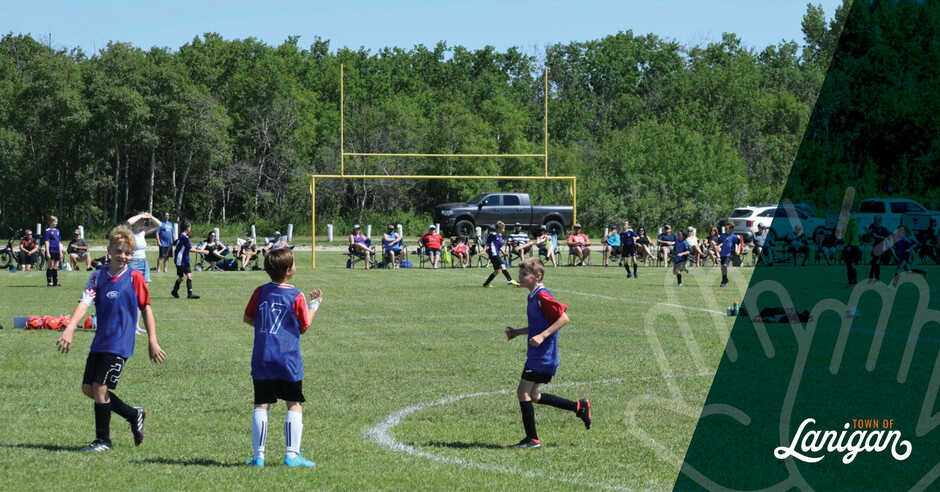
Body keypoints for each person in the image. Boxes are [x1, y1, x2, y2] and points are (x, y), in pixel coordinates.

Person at [55, 224, 167, 452]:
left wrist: (152, 341)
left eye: (127, 253)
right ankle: (134, 414)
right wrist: (69, 328)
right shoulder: (97, 277)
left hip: (120, 343)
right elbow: (84, 302)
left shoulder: (135, 278)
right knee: (88, 388)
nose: (123, 256)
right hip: (100, 341)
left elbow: (146, 309)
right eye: (119, 251)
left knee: (99, 386)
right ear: (109, 251)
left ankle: (103, 441)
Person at [243, 247, 322, 468]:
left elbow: (248, 318)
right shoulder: (296, 295)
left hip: (262, 356)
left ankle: (258, 456)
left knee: (261, 404)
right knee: (293, 403)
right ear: (288, 271)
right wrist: (314, 305)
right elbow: (304, 326)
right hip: (287, 358)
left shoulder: (260, 291)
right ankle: (292, 455)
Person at [504, 257, 591, 448]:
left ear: (538, 276)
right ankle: (578, 406)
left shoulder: (543, 296)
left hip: (543, 356)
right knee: (533, 395)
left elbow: (564, 318)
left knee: (523, 392)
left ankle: (532, 439)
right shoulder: (532, 296)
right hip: (538, 354)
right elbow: (539, 325)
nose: (520, 277)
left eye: (524, 274)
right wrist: (518, 332)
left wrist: (543, 336)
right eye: (520, 274)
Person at [126, 212, 162, 283]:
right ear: (136, 221)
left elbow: (159, 225)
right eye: (142, 219)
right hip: (133, 262)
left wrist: (150, 216)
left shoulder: (143, 231)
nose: (144, 221)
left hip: (144, 262)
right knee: (133, 288)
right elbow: (128, 222)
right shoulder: (128, 232)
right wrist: (140, 215)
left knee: (144, 288)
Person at [483, 221, 520, 287]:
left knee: (496, 271)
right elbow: (487, 244)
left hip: (496, 254)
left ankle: (486, 284)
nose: (504, 230)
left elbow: (499, 247)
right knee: (503, 266)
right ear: (499, 228)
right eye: (503, 228)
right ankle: (509, 279)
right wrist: (483, 251)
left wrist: (504, 253)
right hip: (493, 254)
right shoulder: (492, 235)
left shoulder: (501, 236)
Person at [171, 220, 200, 299]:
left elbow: (174, 244)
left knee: (190, 275)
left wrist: (167, 253)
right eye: (190, 227)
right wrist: (203, 251)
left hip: (185, 260)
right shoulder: (184, 237)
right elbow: (191, 249)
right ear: (188, 228)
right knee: (181, 278)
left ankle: (190, 294)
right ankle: (174, 291)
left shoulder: (182, 236)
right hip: (180, 261)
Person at [867, 215, 891, 283]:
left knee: (876, 263)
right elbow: (869, 239)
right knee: (875, 263)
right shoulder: (872, 228)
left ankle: (874, 279)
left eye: (876, 219)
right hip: (875, 247)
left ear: (879, 220)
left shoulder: (883, 229)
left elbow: (885, 238)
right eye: (874, 219)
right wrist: (868, 233)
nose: (874, 220)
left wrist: (876, 236)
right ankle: (873, 279)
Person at [841, 213, 860, 287]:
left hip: (852, 245)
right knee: (848, 264)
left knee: (851, 264)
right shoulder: (847, 221)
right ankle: (850, 281)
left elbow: (854, 233)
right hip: (847, 245)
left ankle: (853, 281)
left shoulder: (852, 221)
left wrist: (850, 244)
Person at [718, 221, 740, 288]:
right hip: (722, 254)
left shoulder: (733, 236)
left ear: (731, 229)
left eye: (727, 228)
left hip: (729, 254)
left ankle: (724, 281)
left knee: (724, 265)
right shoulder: (723, 235)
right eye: (725, 228)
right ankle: (725, 279)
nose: (725, 229)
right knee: (722, 267)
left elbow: (739, 242)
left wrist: (738, 250)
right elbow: (718, 242)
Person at [44, 216, 63, 286]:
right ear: (51, 222)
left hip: (57, 250)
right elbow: (46, 242)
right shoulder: (47, 231)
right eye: (55, 222)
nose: (56, 223)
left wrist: (61, 252)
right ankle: (49, 282)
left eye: (56, 222)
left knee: (56, 267)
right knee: (50, 266)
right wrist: (47, 252)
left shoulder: (57, 231)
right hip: (51, 250)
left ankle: (55, 282)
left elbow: (59, 242)